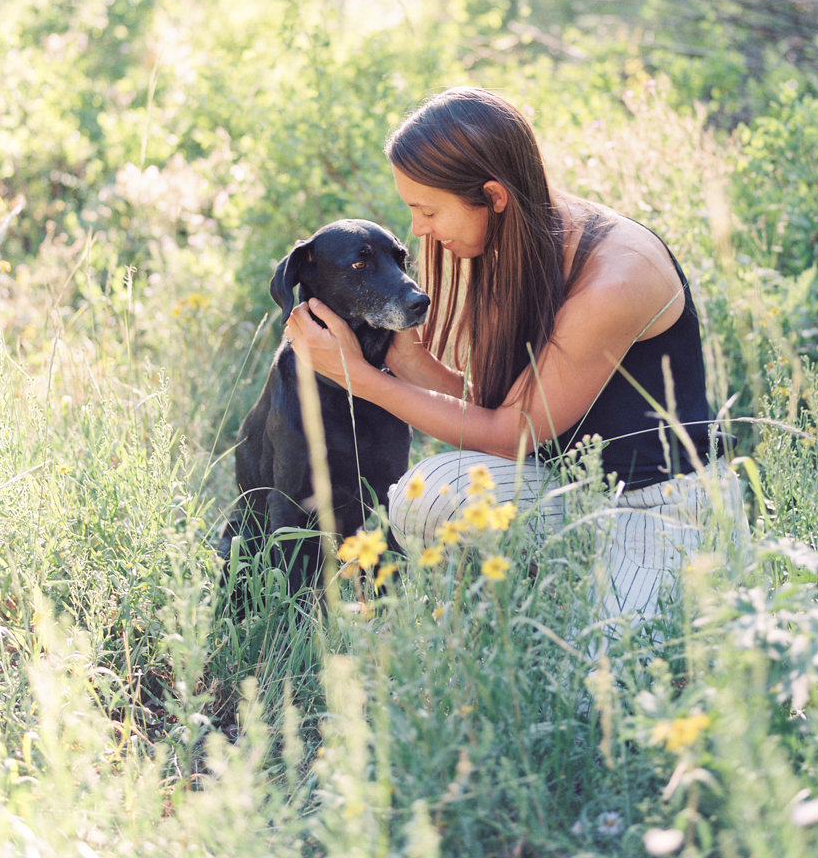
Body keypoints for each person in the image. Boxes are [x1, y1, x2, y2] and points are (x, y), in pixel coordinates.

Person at [284, 86, 748, 626]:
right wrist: (406, 361)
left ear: (494, 196)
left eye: (428, 209)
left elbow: (510, 432)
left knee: (603, 690)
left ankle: (607, 599)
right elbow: (500, 403)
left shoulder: (618, 277)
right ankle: (538, 603)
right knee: (427, 494)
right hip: (566, 489)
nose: (417, 229)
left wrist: (357, 377)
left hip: (660, 507)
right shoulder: (519, 240)